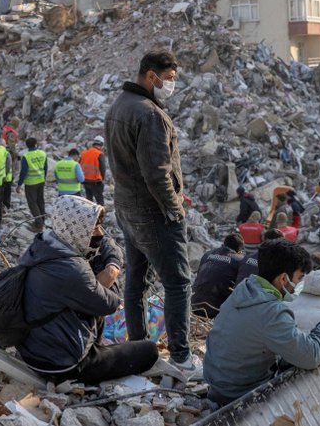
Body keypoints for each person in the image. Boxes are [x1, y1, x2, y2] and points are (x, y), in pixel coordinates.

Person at [104, 50, 198, 376]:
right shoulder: (149, 115)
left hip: (126, 208)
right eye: (169, 79)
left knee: (136, 284)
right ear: (151, 76)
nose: (171, 85)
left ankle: (140, 351)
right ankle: (182, 357)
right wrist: (175, 211)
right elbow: (157, 173)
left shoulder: (118, 106)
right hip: (153, 211)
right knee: (178, 283)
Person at [16, 196, 158, 383]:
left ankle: (93, 347)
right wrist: (111, 270)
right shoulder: (73, 270)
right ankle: (90, 358)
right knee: (149, 350)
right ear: (78, 229)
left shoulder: (43, 247)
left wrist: (106, 257)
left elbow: (103, 244)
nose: (99, 233)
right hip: (63, 366)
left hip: (34, 354)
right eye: (93, 228)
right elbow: (110, 304)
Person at [203, 240, 320, 406]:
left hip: (217, 385)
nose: (298, 285)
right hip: (240, 394)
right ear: (283, 278)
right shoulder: (271, 312)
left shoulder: (244, 289)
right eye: (299, 278)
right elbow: (310, 356)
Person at [191, 234, 245, 319]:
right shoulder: (240, 260)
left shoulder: (207, 254)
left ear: (224, 243)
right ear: (239, 249)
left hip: (195, 302)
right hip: (216, 309)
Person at [17, 138, 48, 232]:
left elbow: (23, 172)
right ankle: (42, 220)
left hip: (30, 183)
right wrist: (44, 178)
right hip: (41, 181)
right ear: (36, 144)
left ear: (27, 146)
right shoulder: (42, 153)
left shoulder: (26, 156)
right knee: (40, 201)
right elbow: (45, 167)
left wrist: (19, 185)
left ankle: (39, 224)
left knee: (32, 203)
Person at [80, 137, 107, 206]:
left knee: (89, 200)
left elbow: (79, 166)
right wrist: (103, 179)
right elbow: (102, 168)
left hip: (85, 180)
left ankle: (89, 215)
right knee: (100, 200)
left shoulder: (84, 153)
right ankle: (101, 215)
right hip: (96, 182)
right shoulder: (99, 154)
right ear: (101, 145)